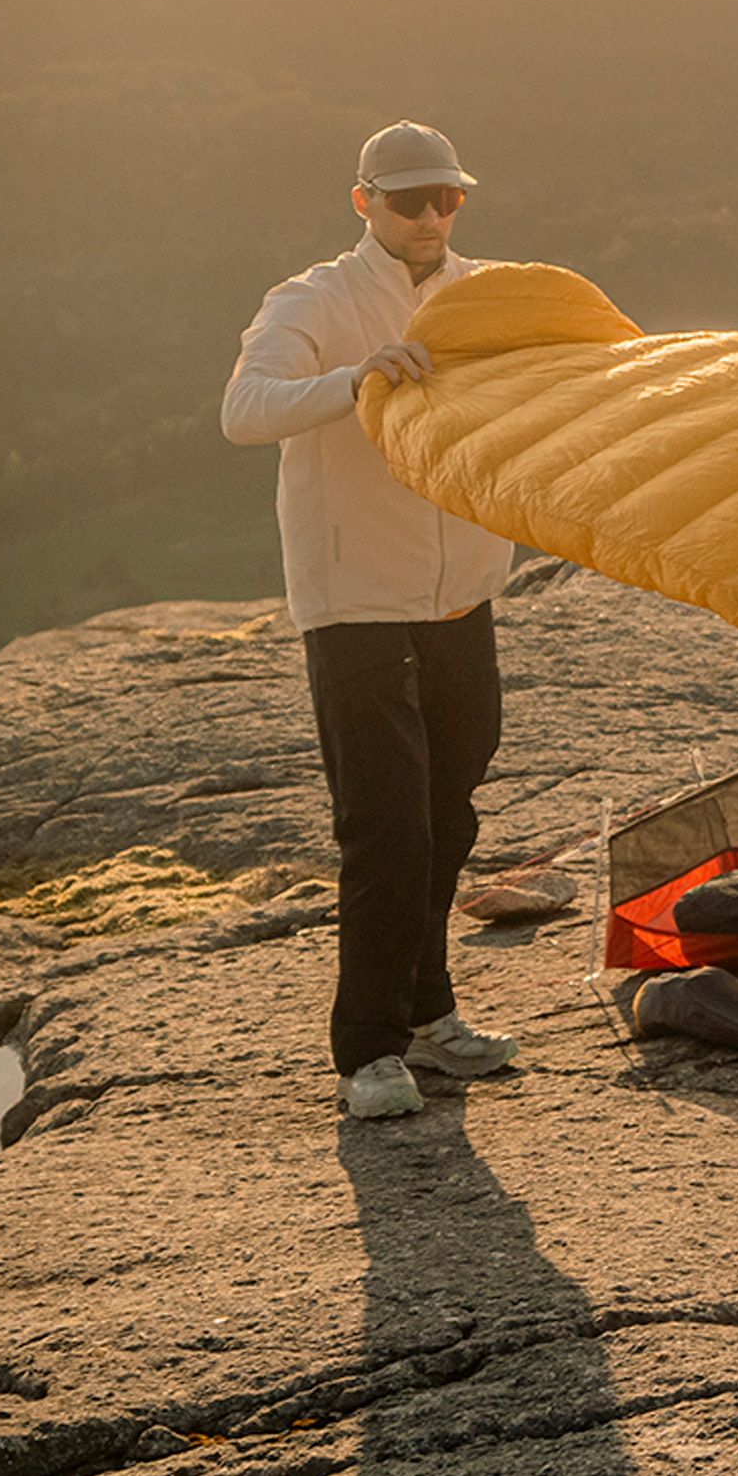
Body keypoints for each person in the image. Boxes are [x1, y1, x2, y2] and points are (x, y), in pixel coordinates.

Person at [222, 119, 521, 1120]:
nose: (432, 216)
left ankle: (430, 1011)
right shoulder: (313, 300)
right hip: (352, 596)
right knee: (386, 824)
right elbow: (245, 408)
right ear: (365, 204)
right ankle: (367, 1051)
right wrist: (355, 381)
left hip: (460, 589)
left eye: (448, 198)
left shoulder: (486, 294)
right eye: (410, 201)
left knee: (451, 807)